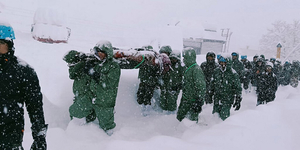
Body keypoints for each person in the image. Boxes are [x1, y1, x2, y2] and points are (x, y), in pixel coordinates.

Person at [0, 23, 48, 149]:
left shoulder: (24, 71)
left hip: (10, 137)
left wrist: (39, 136)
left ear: (9, 45)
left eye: (0, 44)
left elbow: (35, 107)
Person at [66, 40, 121, 135]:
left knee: (107, 127)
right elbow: (72, 71)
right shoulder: (94, 61)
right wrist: (81, 61)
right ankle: (77, 131)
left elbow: (110, 83)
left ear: (106, 53)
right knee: (75, 111)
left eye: (100, 53)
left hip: (104, 100)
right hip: (90, 96)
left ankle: (112, 142)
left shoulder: (114, 66)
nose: (97, 55)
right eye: (96, 52)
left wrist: (95, 74)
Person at [176, 47, 206, 122]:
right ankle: (178, 132)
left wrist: (199, 101)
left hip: (193, 101)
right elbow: (188, 82)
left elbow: (201, 86)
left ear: (190, 57)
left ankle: (191, 133)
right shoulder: (188, 68)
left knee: (190, 121)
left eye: (185, 57)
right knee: (180, 118)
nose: (184, 59)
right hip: (186, 99)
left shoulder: (196, 69)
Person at [209, 56, 242, 120]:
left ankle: (224, 128)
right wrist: (210, 94)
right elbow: (212, 83)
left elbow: (238, 87)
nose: (222, 64)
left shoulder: (233, 73)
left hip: (227, 98)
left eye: (224, 62)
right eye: (221, 62)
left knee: (224, 116)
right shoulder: (216, 71)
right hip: (217, 98)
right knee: (215, 116)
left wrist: (238, 98)